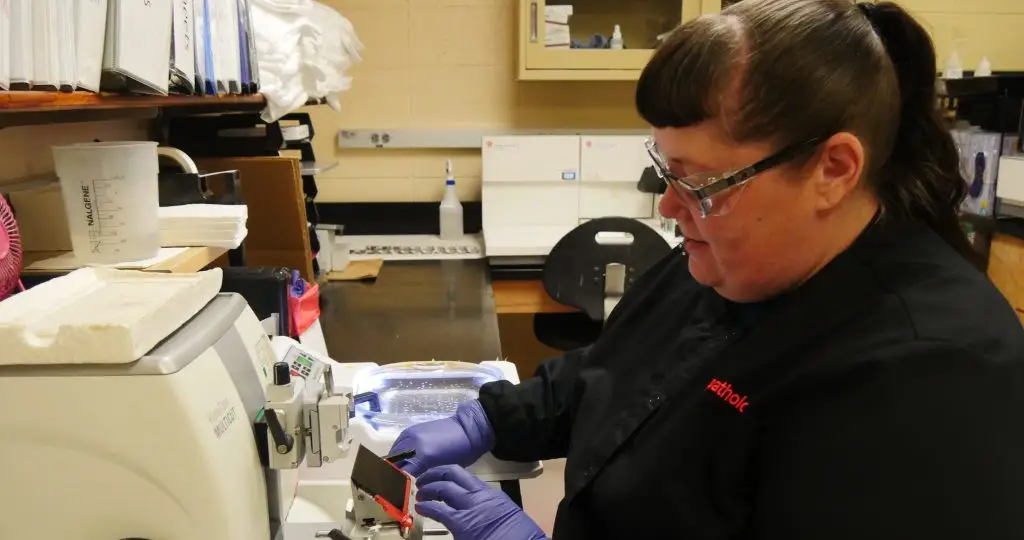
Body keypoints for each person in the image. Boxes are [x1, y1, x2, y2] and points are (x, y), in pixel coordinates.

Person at [390, 1, 1024, 538]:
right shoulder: (729, 258)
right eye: (667, 169)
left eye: (701, 181)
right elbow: (611, 372)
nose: (669, 206)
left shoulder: (925, 377)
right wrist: (487, 418)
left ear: (833, 169)